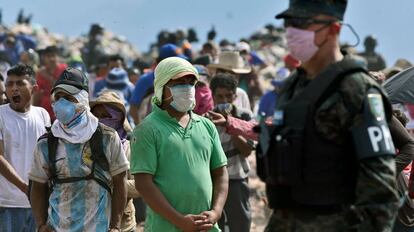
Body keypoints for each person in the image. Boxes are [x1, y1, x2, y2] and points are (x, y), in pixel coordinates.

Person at [261, 1, 399, 231]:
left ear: (334, 28)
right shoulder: (291, 87)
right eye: (289, 23)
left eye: (303, 23)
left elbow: (381, 192)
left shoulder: (356, 89)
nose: (293, 31)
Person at [131, 57, 228, 231]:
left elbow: (220, 172)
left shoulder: (206, 126)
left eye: (191, 82)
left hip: (206, 227)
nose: (187, 87)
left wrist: (216, 212)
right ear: (162, 87)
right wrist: (180, 220)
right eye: (179, 82)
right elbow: (143, 183)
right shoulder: (147, 129)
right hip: (165, 227)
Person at [29, 67, 129, 232]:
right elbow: (38, 185)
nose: (61, 103)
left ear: (82, 100)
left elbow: (120, 182)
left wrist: (116, 227)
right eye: (58, 97)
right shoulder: (47, 143)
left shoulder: (107, 137)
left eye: (68, 98)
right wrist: (41, 224)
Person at [0, 64, 50, 232]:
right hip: (7, 204)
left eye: (20, 84)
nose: (13, 89)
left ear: (34, 88)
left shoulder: (42, 115)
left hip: (38, 205)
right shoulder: (1, 115)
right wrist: (25, 188)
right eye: (9, 84)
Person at [90, 91, 140, 232]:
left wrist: (114, 183)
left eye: (106, 116)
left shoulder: (129, 148)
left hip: (123, 224)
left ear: (118, 119)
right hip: (90, 222)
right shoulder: (84, 145)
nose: (100, 121)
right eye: (96, 116)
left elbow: (139, 185)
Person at [210, 73, 253, 232]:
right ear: (213, 97)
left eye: (229, 96)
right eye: (220, 96)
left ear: (235, 95)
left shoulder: (244, 116)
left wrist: (230, 125)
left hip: (237, 178)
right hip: (213, 181)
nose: (224, 101)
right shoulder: (206, 120)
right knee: (216, 223)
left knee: (240, 223)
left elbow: (247, 150)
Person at [129, 43, 188, 125]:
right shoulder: (146, 81)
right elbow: (133, 109)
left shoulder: (182, 80)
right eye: (175, 62)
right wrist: (142, 129)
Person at [33, 45, 67, 121]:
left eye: (53, 56)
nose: (51, 59)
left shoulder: (64, 69)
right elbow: (37, 94)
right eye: (48, 56)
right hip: (45, 114)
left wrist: (48, 77)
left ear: (58, 57)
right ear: (44, 58)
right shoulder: (40, 73)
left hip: (62, 114)